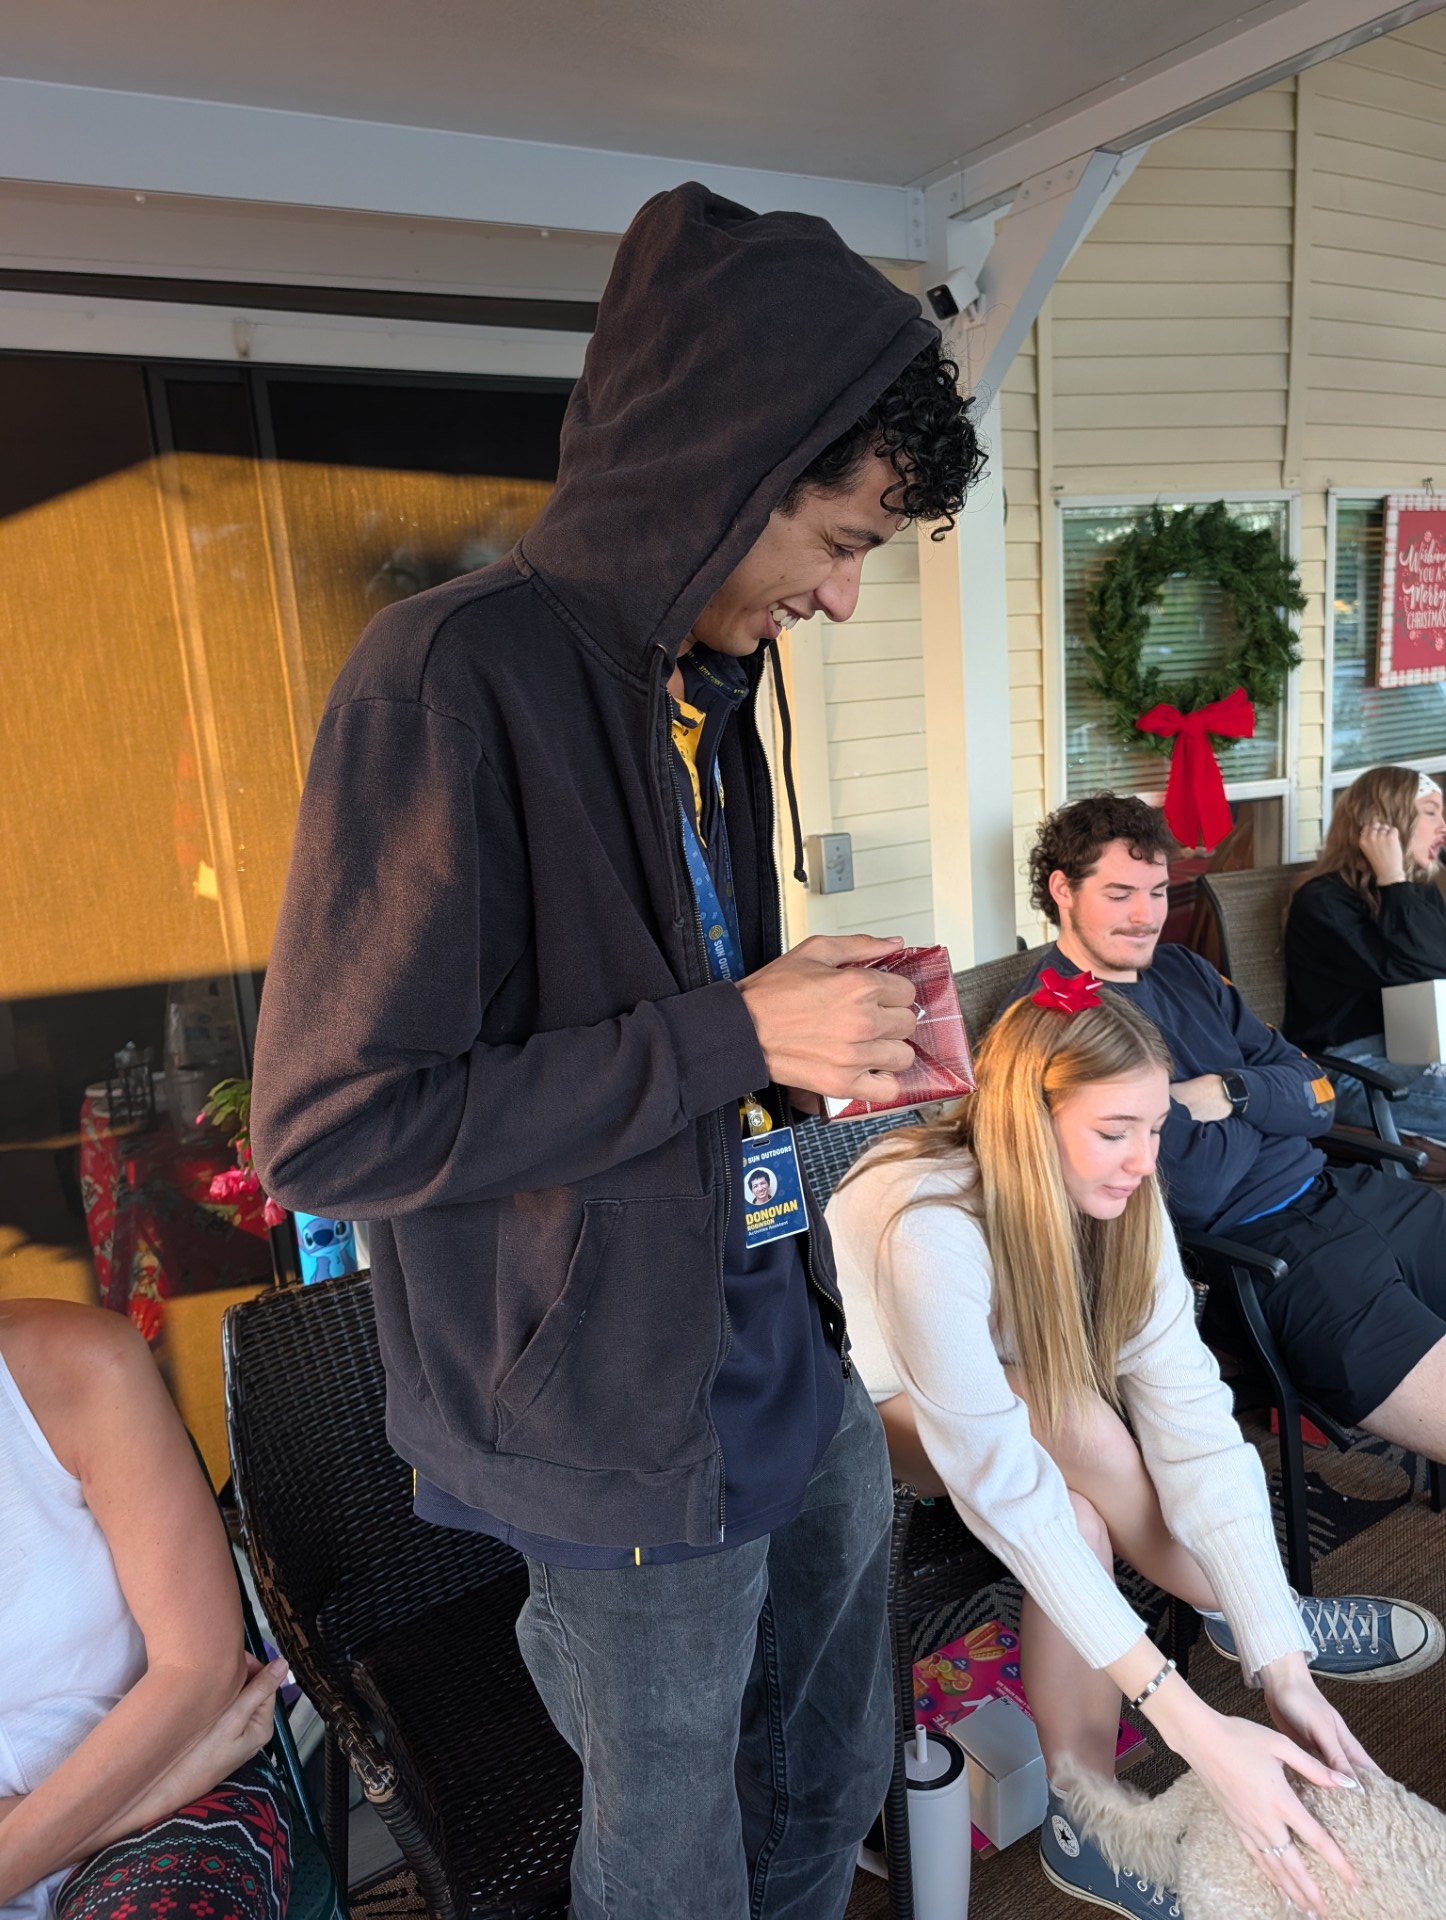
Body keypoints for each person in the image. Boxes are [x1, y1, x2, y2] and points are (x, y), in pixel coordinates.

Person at [250, 181, 985, 1920]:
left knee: (829, 1777)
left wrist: (803, 1032)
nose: (841, 601)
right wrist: (731, 1026)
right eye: (839, 541)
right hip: (603, 1423)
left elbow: (658, 1025)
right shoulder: (443, 682)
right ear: (726, 468)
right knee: (671, 1862)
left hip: (775, 1351)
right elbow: (332, 1128)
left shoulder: (701, 693)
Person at [826, 988, 1372, 1920]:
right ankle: (1247, 1604)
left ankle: (1088, 1814)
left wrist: (1284, 1670)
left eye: (1155, 1127)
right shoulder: (926, 1224)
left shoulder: (1124, 1196)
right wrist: (1191, 1723)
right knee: (1069, 1417)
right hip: (873, 1421)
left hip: (1014, 1403)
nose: (1145, 1160)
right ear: (1028, 1123)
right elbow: (1008, 1491)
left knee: (1081, 1521)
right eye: (1116, 1130)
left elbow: (1195, 1418)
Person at [1003, 791, 1446, 1678]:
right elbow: (1191, 1185)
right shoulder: (1059, 1019)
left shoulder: (1185, 973)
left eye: (1157, 892)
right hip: (1268, 1258)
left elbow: (1314, 1091)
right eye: (1120, 893)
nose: (1145, 915)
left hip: (1346, 1192)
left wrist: (1229, 1094)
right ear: (1061, 890)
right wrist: (1268, 1106)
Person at [0, 1298, 290, 1920]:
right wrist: (171, 1784)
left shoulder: (77, 1363)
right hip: (174, 1777)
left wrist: (168, 1794)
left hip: (169, 1815)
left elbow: (199, 1671)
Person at [1285, 766, 1446, 1138]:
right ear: (1383, 823)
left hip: (1416, 1047)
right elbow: (1415, 970)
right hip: (1345, 1069)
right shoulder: (1323, 901)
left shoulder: (1416, 893)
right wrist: (1392, 878)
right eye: (1430, 812)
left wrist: (1398, 884)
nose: (1443, 826)